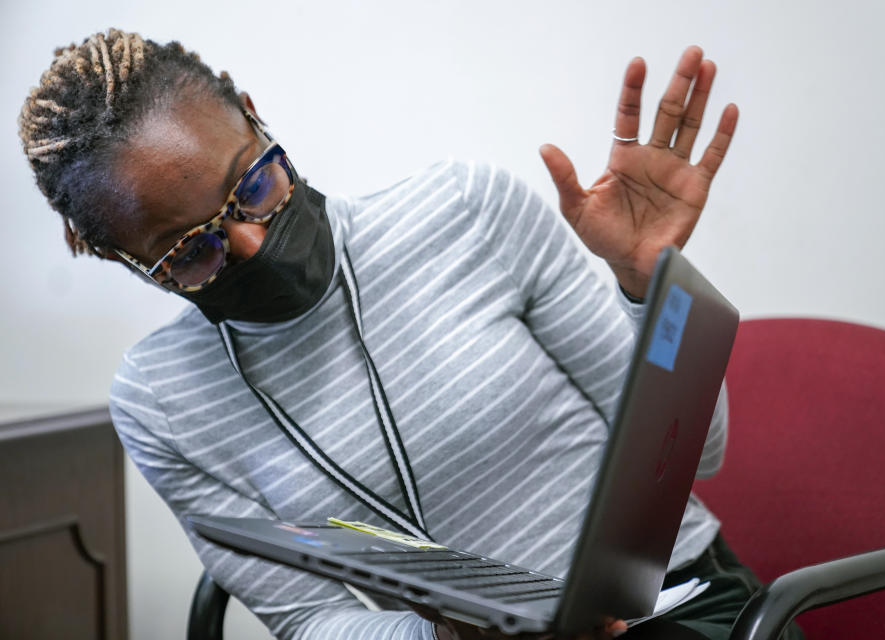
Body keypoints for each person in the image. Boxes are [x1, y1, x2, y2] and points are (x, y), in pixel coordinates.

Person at [19, 29, 794, 640]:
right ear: (119, 258)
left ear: (254, 115)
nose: (251, 241)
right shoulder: (160, 402)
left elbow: (704, 452)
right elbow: (308, 618)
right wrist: (440, 637)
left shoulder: (464, 211)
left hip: (678, 606)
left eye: (252, 185)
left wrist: (644, 283)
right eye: (192, 251)